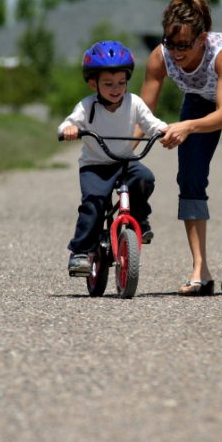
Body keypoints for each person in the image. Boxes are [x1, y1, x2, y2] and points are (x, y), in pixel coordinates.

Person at [141, 0, 222, 296]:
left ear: (202, 38)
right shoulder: (160, 58)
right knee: (190, 179)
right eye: (171, 43)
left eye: (184, 44)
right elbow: (141, 116)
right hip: (198, 101)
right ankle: (201, 269)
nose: (176, 52)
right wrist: (121, 154)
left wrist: (185, 127)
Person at [59, 40, 167, 276]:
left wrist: (164, 131)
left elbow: (151, 123)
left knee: (145, 178)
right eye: (108, 84)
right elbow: (69, 122)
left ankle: (139, 217)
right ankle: (80, 251)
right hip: (95, 166)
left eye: (121, 82)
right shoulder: (87, 107)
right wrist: (68, 129)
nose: (116, 88)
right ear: (92, 83)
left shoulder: (134, 102)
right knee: (93, 203)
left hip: (124, 162)